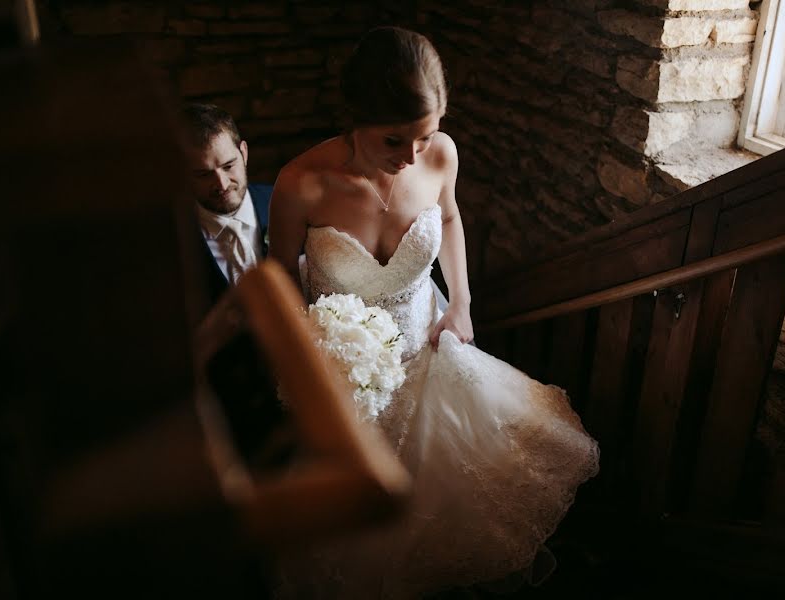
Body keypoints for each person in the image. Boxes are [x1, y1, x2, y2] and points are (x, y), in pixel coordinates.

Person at [268, 27, 599, 598]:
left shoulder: (440, 154)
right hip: (341, 370)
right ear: (356, 115)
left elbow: (447, 220)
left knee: (444, 499)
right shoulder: (302, 183)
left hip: (426, 345)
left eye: (424, 137)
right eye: (394, 141)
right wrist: (308, 357)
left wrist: (463, 304)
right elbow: (278, 280)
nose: (411, 157)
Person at [182, 102, 273, 303]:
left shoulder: (281, 202)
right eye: (203, 174)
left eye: (228, 166)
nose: (221, 184)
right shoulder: (176, 238)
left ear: (244, 153)